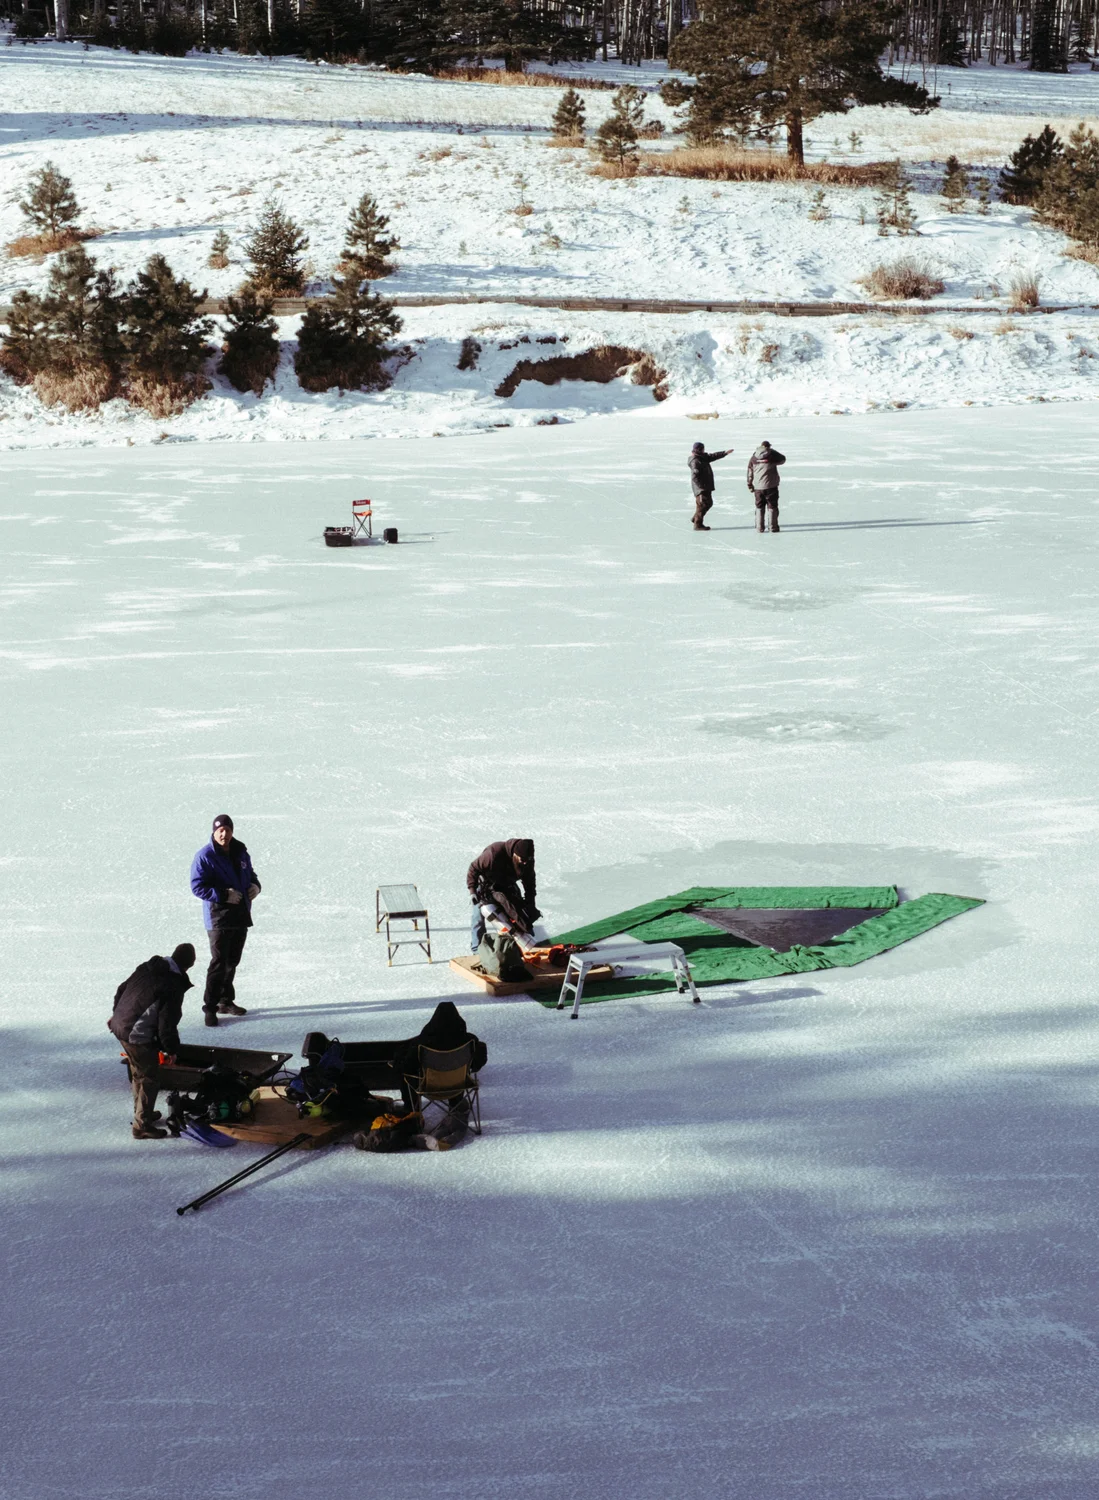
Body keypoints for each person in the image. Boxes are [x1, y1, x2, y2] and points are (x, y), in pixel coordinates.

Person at [108, 943, 195, 1139]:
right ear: (189, 965)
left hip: (120, 1025)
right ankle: (142, 1126)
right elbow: (167, 1024)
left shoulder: (147, 967)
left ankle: (142, 1113)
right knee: (149, 1076)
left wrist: (117, 1015)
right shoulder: (172, 985)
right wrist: (171, 1050)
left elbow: (121, 989)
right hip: (135, 1034)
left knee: (138, 1071)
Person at [190, 814, 261, 1027]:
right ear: (214, 832)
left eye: (228, 830)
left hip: (240, 914)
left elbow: (251, 874)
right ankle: (210, 1008)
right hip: (219, 917)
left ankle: (225, 1001)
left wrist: (256, 886)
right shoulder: (205, 856)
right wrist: (223, 895)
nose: (224, 834)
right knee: (219, 963)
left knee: (232, 961)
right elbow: (197, 886)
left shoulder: (240, 852)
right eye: (220, 830)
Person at [393, 1000, 488, 1130]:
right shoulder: (469, 1040)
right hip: (458, 1085)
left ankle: (411, 1109)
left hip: (428, 1086)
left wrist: (398, 1065)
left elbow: (407, 1067)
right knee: (455, 1071)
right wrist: (472, 1066)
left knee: (405, 1074)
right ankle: (455, 1103)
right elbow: (478, 1061)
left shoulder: (422, 1043)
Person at [467, 837, 539, 952]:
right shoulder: (493, 853)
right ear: (514, 854)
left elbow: (529, 883)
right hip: (485, 884)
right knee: (479, 916)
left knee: (518, 913)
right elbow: (473, 868)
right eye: (522, 859)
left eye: (528, 859)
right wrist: (472, 891)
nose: (525, 862)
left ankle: (525, 942)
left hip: (506, 884)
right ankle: (477, 949)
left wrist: (530, 904)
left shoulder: (527, 861)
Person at [689, 440, 732, 531]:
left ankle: (696, 518)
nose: (704, 450)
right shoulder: (695, 461)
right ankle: (698, 525)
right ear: (699, 450)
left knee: (708, 503)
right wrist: (701, 487)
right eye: (703, 449)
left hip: (706, 486)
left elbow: (712, 456)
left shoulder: (702, 457)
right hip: (701, 488)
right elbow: (694, 477)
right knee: (703, 505)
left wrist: (724, 453)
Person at [747, 440, 786, 533]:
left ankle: (759, 528)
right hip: (771, 486)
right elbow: (783, 459)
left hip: (758, 487)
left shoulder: (753, 458)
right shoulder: (772, 457)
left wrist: (749, 484)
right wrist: (772, 451)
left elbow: (749, 472)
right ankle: (773, 528)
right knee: (772, 507)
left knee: (759, 507)